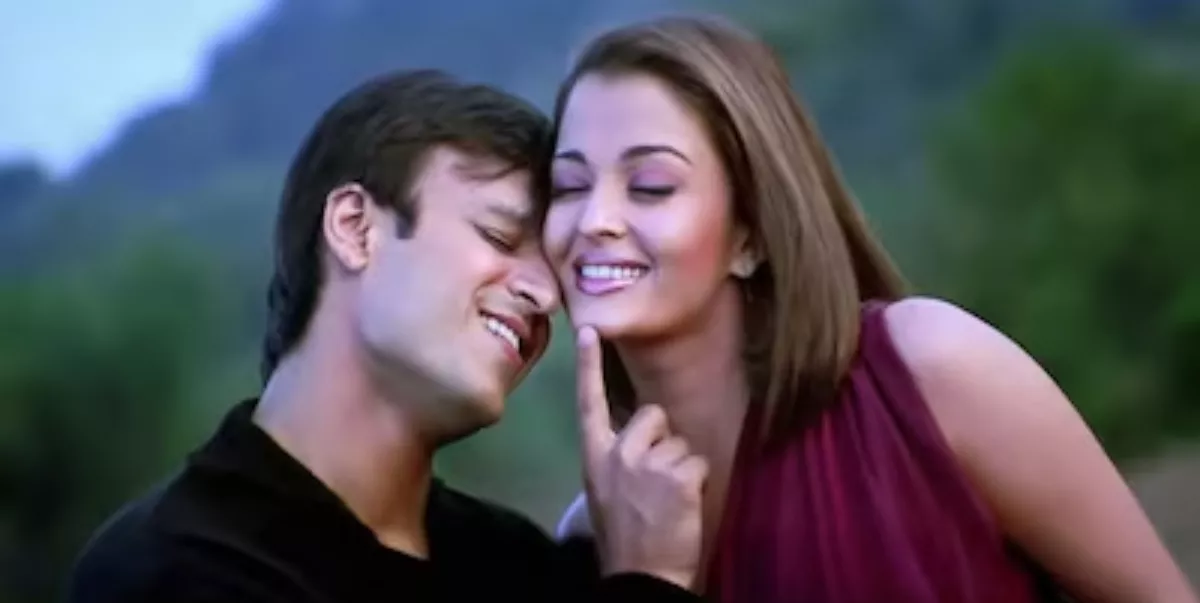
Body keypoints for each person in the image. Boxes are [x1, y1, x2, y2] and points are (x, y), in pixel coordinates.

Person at [543, 15, 1198, 603]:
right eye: (568, 186)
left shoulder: (929, 374)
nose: (595, 219)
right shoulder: (593, 537)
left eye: (651, 185)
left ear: (751, 235)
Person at [65, 69, 708, 603]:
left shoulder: (518, 566)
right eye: (498, 236)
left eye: (555, 274)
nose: (545, 295)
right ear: (355, 228)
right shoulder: (171, 569)